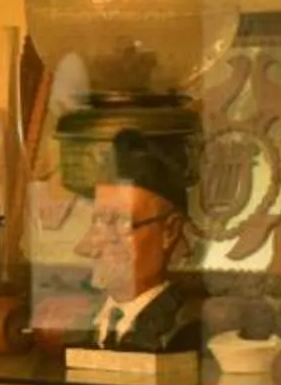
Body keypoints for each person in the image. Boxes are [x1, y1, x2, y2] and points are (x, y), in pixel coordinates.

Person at [69, 130, 200, 354]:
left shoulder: (183, 325)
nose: (106, 238)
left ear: (170, 230)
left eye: (122, 222)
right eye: (99, 220)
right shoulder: (80, 323)